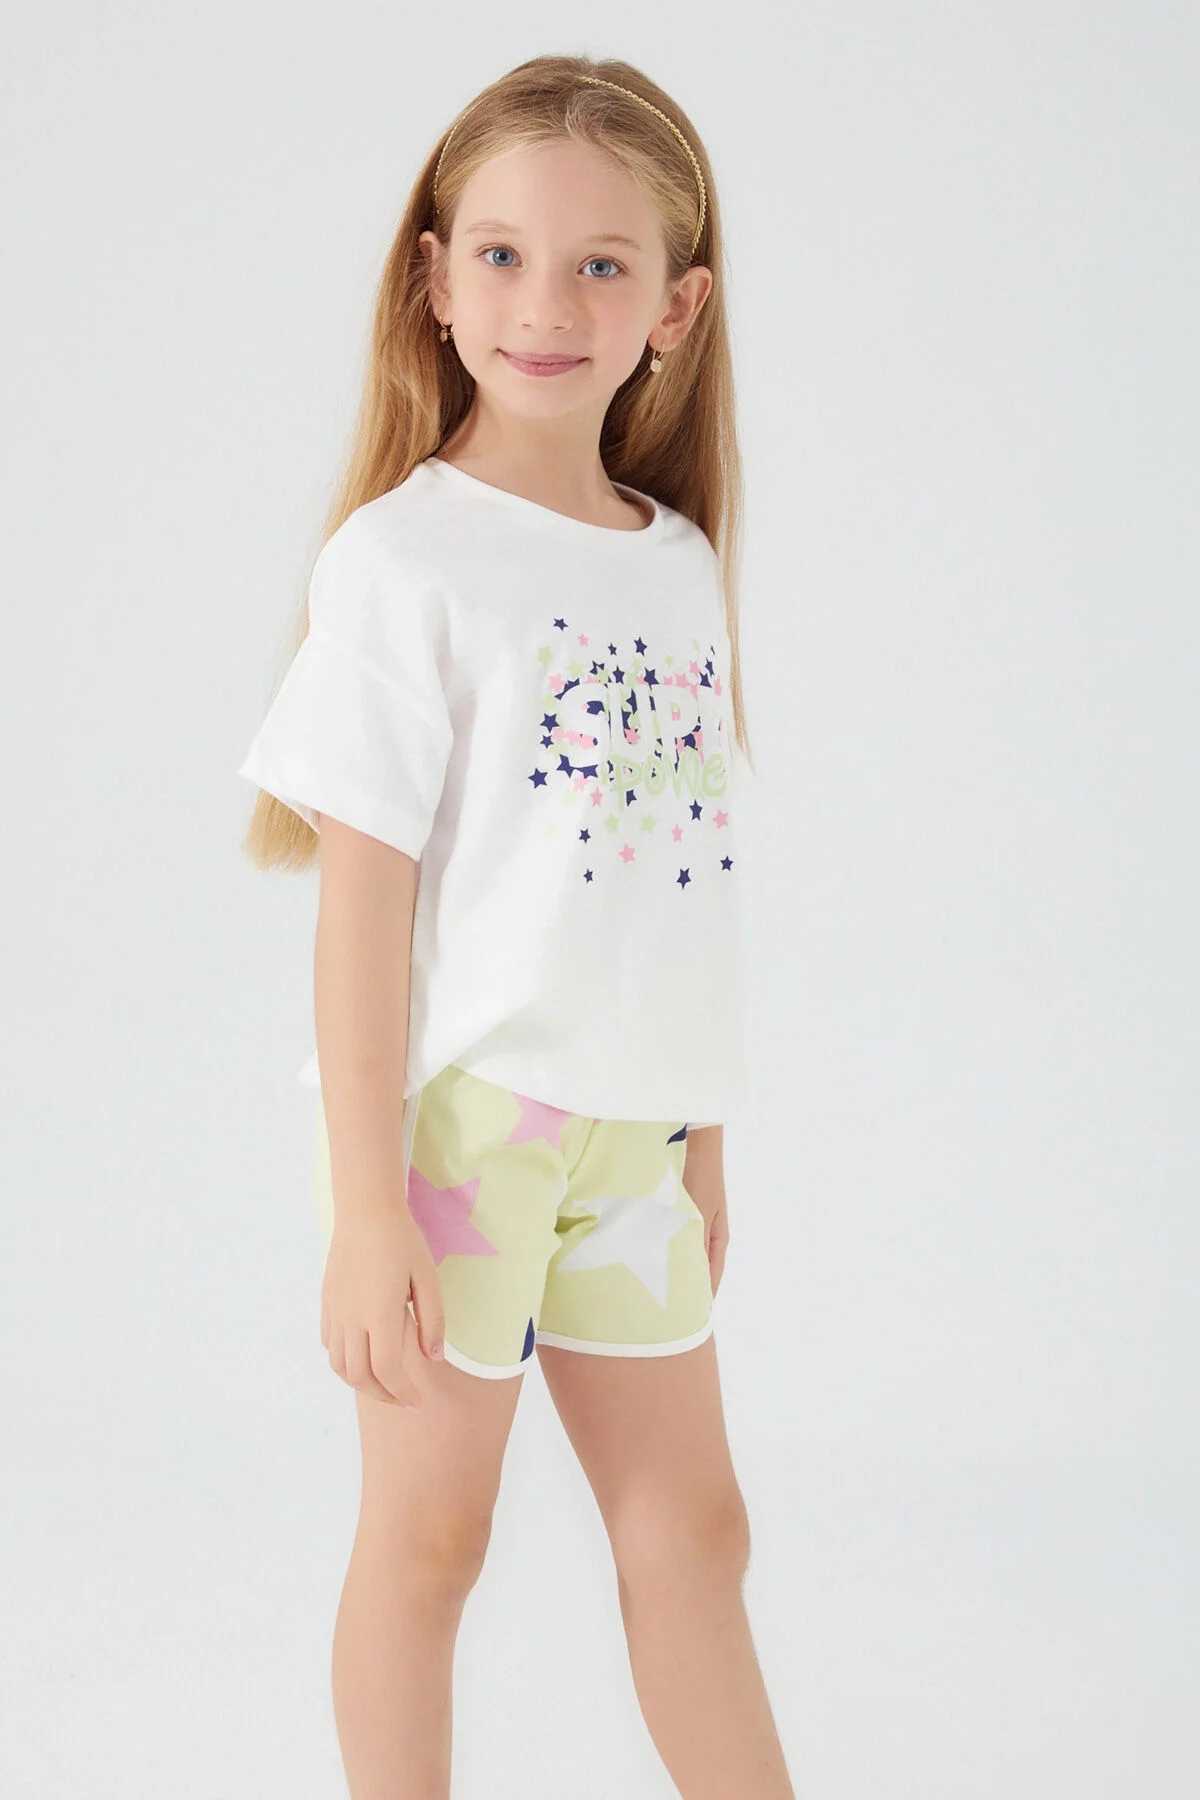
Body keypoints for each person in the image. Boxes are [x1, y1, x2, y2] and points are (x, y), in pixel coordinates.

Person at [237, 53, 793, 1800]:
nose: (545, 305)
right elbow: (360, 913)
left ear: (676, 308)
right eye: (500, 256)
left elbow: (673, 889)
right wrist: (363, 1210)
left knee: (696, 1529)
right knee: (429, 1544)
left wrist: (700, 1131)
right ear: (433, 277)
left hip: (635, 1139)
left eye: (601, 265)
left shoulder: (677, 563)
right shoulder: (403, 566)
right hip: (459, 1140)